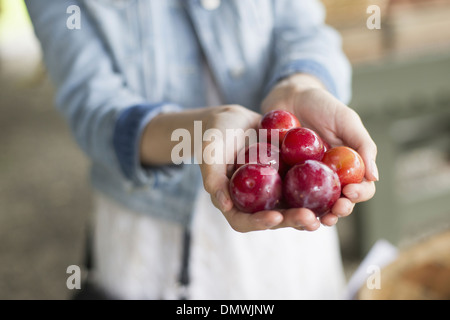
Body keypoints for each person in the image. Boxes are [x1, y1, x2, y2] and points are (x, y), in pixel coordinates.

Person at [26, 0, 378, 300]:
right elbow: (91, 106)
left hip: (290, 220)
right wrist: (197, 134)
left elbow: (303, 29)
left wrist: (300, 85)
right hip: (151, 233)